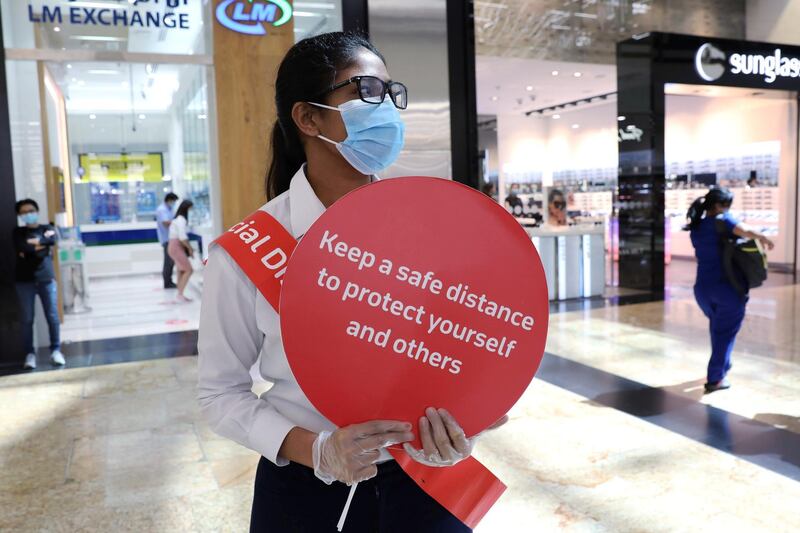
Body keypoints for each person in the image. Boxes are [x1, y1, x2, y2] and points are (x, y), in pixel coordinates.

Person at [198, 32, 504, 532]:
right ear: (308, 117)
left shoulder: (431, 226)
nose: (383, 107)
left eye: (388, 92)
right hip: (304, 491)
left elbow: (460, 345)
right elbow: (219, 395)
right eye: (364, 90)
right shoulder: (246, 250)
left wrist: (476, 410)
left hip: (426, 481)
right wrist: (317, 450)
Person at [685, 187, 774, 393]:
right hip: (727, 289)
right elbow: (745, 230)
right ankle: (715, 378)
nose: (728, 210)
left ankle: (722, 363)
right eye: (727, 206)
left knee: (718, 328)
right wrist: (764, 237)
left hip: (702, 290)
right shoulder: (723, 221)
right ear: (718, 205)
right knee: (725, 332)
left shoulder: (697, 226)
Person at [13, 199, 63, 369]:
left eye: (31, 210)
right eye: (24, 212)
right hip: (24, 280)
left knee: (52, 316)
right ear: (20, 215)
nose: (29, 214)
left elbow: (52, 240)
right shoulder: (18, 232)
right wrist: (39, 246)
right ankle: (29, 354)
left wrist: (33, 246)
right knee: (27, 319)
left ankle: (56, 350)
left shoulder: (47, 228)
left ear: (37, 210)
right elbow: (22, 247)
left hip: (46, 278)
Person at [167, 200, 194, 302]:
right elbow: (182, 237)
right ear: (186, 209)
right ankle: (180, 295)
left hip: (173, 246)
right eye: (191, 209)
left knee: (181, 270)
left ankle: (180, 294)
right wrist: (190, 249)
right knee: (188, 270)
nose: (192, 211)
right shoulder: (181, 219)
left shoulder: (177, 219)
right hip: (176, 246)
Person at [156, 192, 179, 289]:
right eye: (173, 201)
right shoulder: (162, 209)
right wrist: (177, 223)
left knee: (170, 261)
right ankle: (167, 283)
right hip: (167, 239)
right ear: (169, 200)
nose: (174, 203)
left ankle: (169, 281)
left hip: (170, 239)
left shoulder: (169, 209)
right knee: (168, 262)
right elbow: (165, 222)